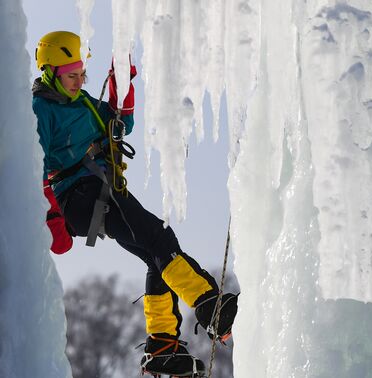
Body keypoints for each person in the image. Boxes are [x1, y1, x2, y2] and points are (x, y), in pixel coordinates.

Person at [32, 31, 237, 377]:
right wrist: (52, 216)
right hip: (78, 198)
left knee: (155, 252)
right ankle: (206, 301)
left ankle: (162, 346)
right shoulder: (41, 110)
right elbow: (33, 164)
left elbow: (119, 123)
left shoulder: (81, 101)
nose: (79, 81)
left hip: (102, 189)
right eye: (71, 75)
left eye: (82, 73)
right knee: (158, 239)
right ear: (50, 72)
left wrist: (121, 82)